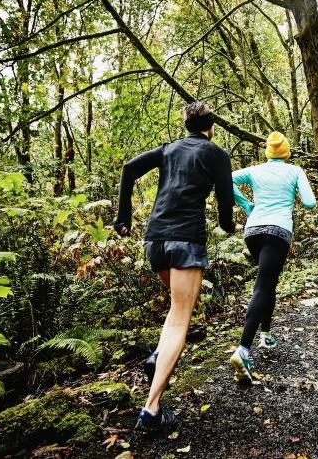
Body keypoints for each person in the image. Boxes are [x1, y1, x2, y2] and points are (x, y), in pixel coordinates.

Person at [113, 102, 235, 433]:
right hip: (186, 240)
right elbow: (226, 204)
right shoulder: (216, 154)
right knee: (181, 318)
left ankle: (158, 356)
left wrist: (123, 217)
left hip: (155, 240)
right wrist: (228, 225)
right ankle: (151, 410)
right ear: (211, 128)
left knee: (175, 310)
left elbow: (128, 169)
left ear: (188, 126)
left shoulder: (168, 150)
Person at [228, 131, 316, 382]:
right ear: (287, 152)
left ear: (267, 152)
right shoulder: (295, 170)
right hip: (278, 232)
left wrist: (246, 204)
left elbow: (226, 179)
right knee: (263, 286)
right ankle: (243, 348)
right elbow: (309, 203)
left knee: (269, 282)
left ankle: (266, 333)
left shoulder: (254, 170)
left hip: (253, 231)